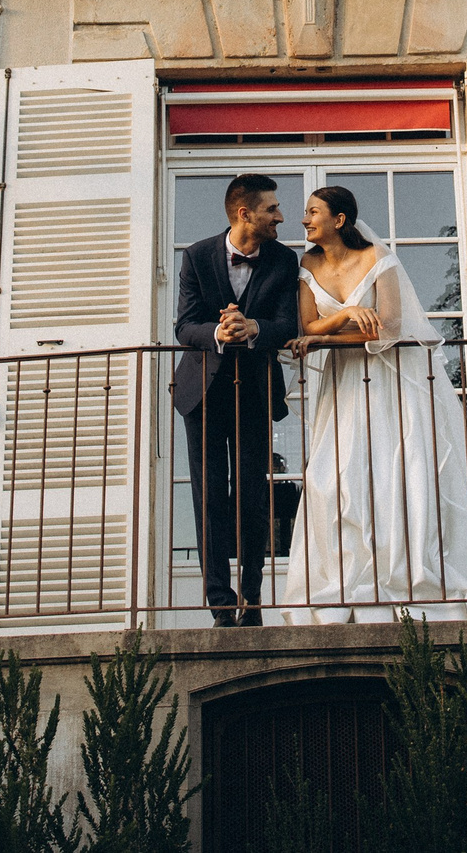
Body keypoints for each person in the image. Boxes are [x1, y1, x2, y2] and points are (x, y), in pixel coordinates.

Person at [276, 185, 467, 623]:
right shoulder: (307, 264)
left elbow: (391, 327)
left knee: (404, 468)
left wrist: (324, 336)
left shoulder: (377, 260)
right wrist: (341, 318)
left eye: (313, 212)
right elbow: (309, 324)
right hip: (343, 386)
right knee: (338, 475)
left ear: (339, 220)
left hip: (392, 380)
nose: (304, 220)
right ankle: (349, 576)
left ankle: (418, 572)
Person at [170, 173, 300, 626]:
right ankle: (221, 608)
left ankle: (252, 600)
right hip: (202, 394)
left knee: (252, 495)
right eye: (272, 209)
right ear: (245, 213)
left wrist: (257, 328)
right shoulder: (197, 256)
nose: (281, 216)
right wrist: (219, 333)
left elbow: (289, 324)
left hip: (256, 393)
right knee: (209, 499)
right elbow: (184, 326)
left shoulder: (284, 261)